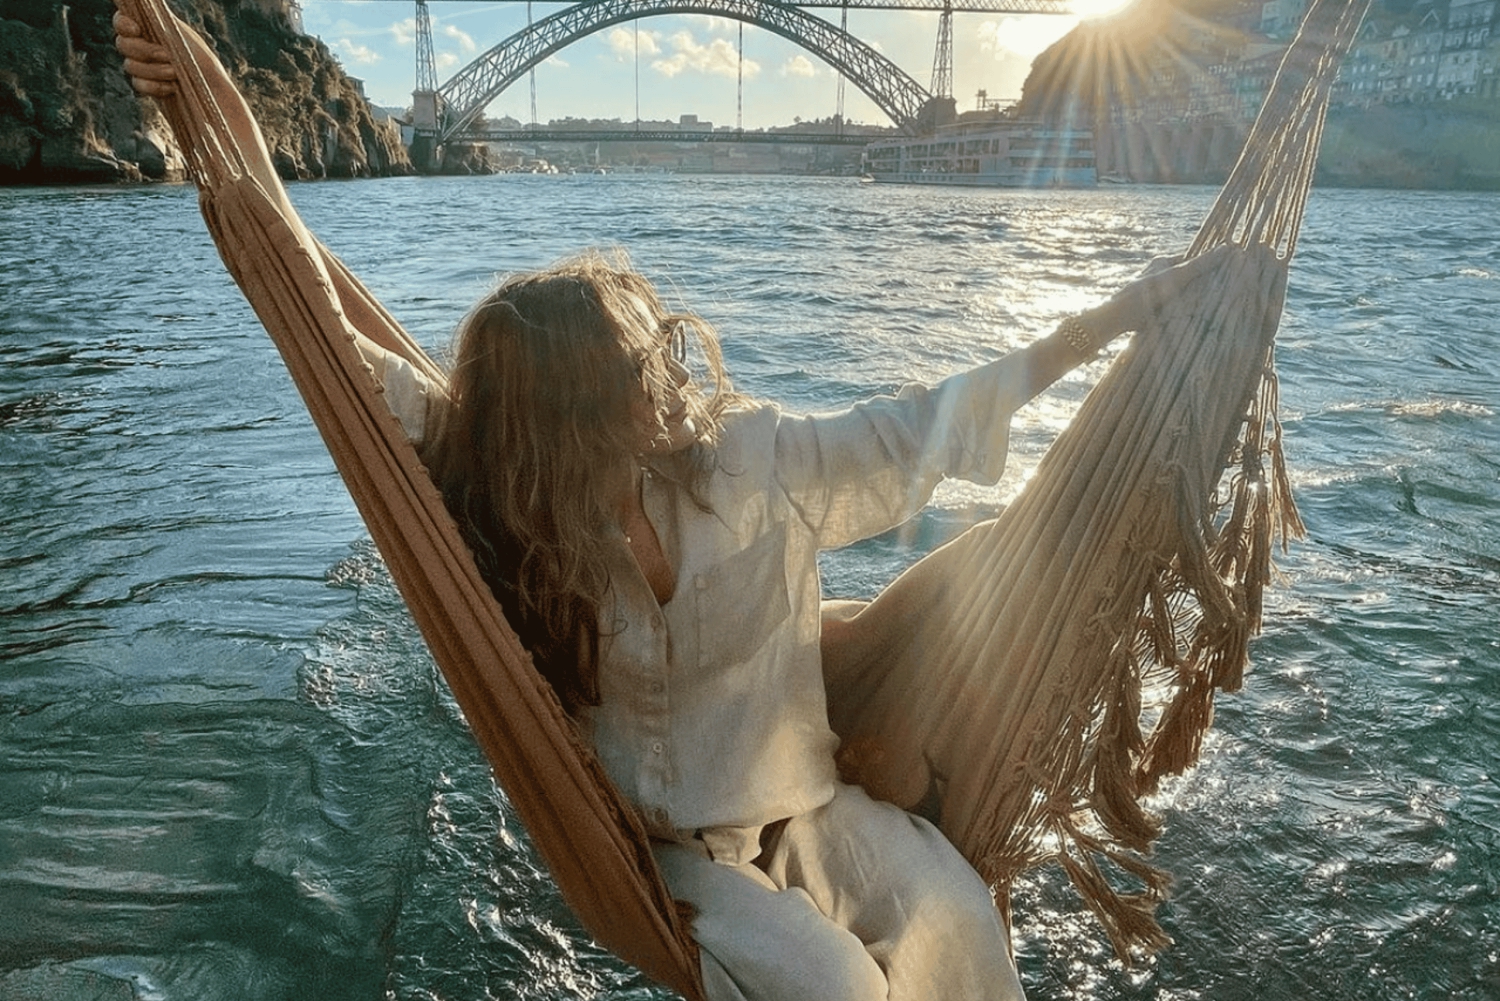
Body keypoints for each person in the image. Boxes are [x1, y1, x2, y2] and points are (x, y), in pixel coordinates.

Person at [116, 9, 1225, 998]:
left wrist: (1115, 318)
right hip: (662, 853)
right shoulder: (494, 470)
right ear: (574, 412)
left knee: (957, 917)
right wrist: (206, 112)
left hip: (808, 802)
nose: (672, 381)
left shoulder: (754, 460)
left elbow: (923, 422)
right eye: (642, 371)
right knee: (835, 986)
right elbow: (321, 314)